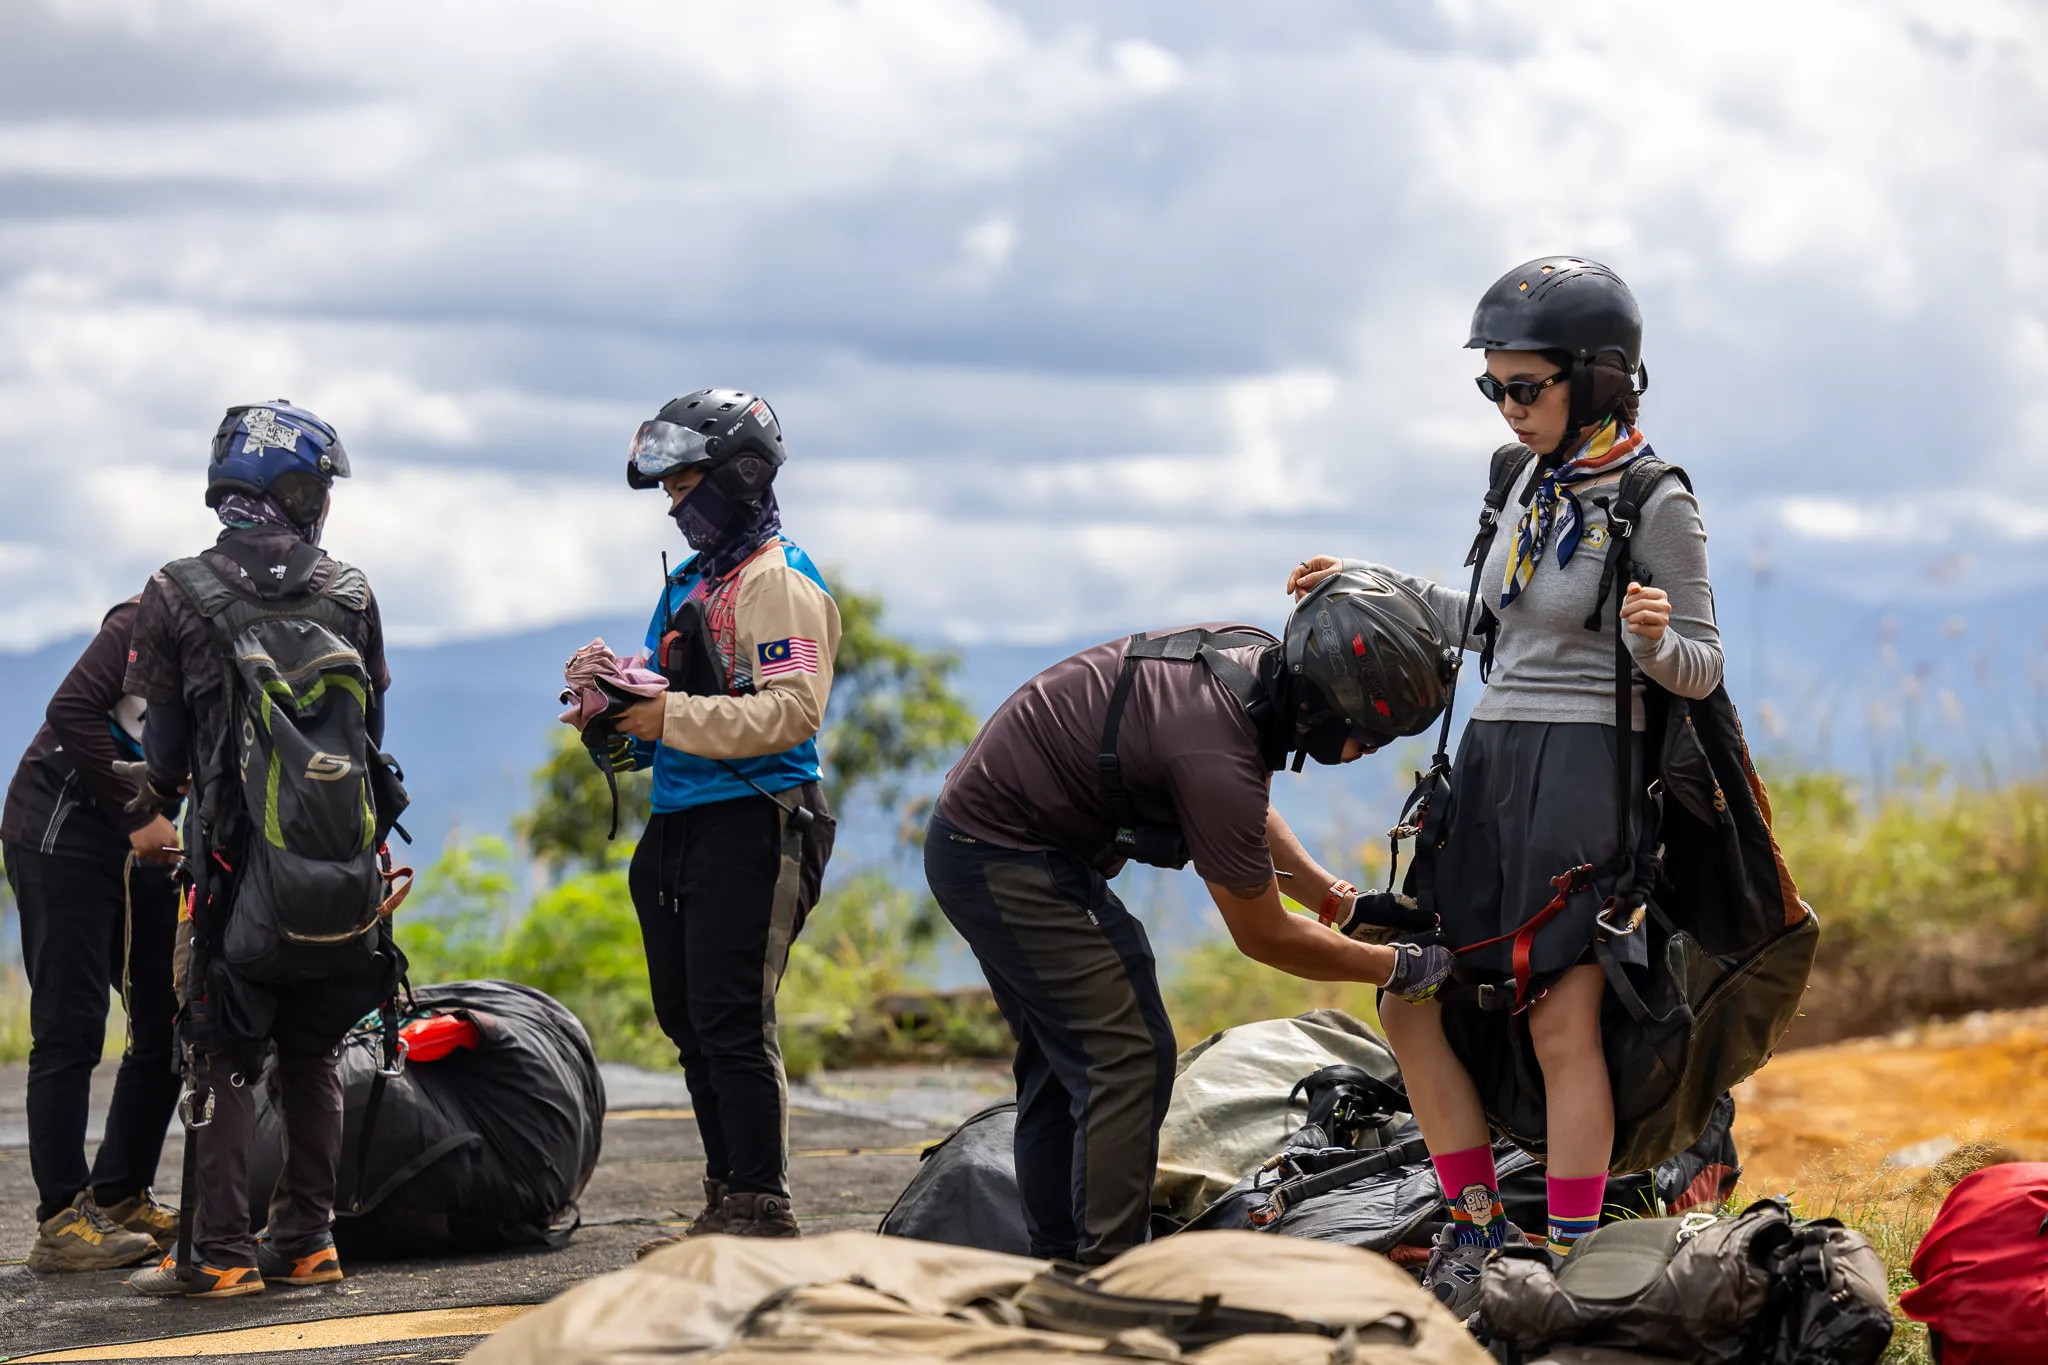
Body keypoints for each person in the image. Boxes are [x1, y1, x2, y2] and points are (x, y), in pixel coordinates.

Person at [1287, 257, 1724, 1314]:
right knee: (1410, 997)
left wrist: (1651, 642)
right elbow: (1482, 624)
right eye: (1492, 387)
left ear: (1600, 377)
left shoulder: (1652, 499)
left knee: (1556, 1021)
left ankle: (1568, 1261)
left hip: (1583, 777)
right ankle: (1476, 1231)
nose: (1507, 406)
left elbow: (1702, 665)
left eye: (1524, 386)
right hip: (1483, 766)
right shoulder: (1516, 479)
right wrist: (1361, 584)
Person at [924, 576, 1461, 1265]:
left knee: (1068, 1063)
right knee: (1127, 1051)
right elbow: (1262, 933)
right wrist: (1399, 967)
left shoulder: (1255, 668)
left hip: (998, 840)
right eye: (1366, 733)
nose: (1365, 751)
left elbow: (1240, 817)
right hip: (1001, 855)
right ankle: (1109, 1275)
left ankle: (1061, 1261)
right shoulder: (1213, 749)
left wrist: (1337, 902)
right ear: (1324, 704)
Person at [122, 401, 404, 1298]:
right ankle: (308, 1238)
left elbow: (163, 755)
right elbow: (371, 738)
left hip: (234, 872)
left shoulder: (177, 591)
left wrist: (165, 800)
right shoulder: (352, 591)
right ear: (294, 489)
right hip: (339, 874)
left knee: (224, 1055)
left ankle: (220, 1251)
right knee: (314, 1051)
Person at [599, 389, 840, 1251]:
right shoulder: (696, 582)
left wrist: (668, 720)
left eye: (685, 481)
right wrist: (613, 710)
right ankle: (723, 1197)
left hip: (760, 817)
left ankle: (759, 1205)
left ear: (737, 477)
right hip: (680, 818)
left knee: (734, 1014)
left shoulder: (776, 581)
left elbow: (792, 711)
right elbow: (677, 698)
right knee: (688, 1016)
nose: (673, 500)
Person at [2, 599, 185, 1270]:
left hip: (138, 844)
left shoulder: (245, 654)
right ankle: (59, 1219)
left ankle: (119, 1195)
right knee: (73, 1025)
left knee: (171, 1014)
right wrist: (139, 813)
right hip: (59, 832)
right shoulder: (148, 621)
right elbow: (70, 709)